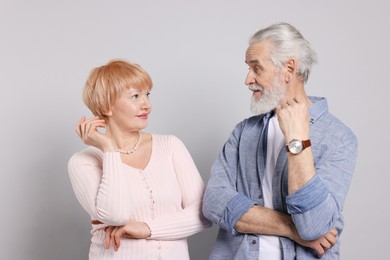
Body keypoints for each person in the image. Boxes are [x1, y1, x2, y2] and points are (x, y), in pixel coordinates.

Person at [202, 22, 358, 259]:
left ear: (289, 68)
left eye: (257, 68)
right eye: (248, 68)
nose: (247, 79)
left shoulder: (339, 138)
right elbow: (214, 201)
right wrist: (290, 228)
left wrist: (298, 140)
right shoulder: (243, 133)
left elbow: (313, 226)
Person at [68, 59, 211, 260]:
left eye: (147, 94)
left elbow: (204, 214)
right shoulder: (84, 162)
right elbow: (116, 215)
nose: (147, 105)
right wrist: (109, 150)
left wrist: (146, 228)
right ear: (107, 106)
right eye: (135, 96)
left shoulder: (170, 146)